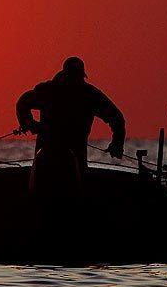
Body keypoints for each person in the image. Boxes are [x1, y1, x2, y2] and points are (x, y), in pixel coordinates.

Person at [16, 57, 125, 199]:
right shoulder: (54, 91)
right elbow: (23, 102)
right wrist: (29, 123)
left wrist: (117, 143)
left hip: (73, 155)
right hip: (52, 155)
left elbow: (117, 119)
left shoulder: (86, 94)